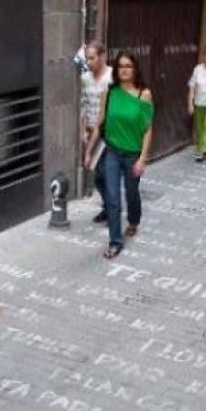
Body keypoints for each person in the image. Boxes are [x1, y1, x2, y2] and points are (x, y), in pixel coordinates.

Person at [85, 52, 154, 260]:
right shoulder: (110, 92)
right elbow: (99, 124)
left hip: (133, 154)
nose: (124, 70)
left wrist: (142, 159)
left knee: (132, 194)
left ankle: (133, 221)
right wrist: (89, 150)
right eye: (121, 66)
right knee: (113, 199)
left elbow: (148, 130)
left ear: (135, 69)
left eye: (129, 66)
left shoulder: (144, 94)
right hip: (112, 152)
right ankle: (115, 242)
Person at [80, 41, 113, 222]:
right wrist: (83, 130)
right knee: (97, 174)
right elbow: (83, 105)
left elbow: (105, 115)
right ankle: (109, 206)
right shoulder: (85, 78)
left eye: (92, 58)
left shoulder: (112, 78)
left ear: (102, 56)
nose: (89, 62)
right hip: (93, 130)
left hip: (109, 132)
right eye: (87, 59)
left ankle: (111, 208)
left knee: (104, 172)